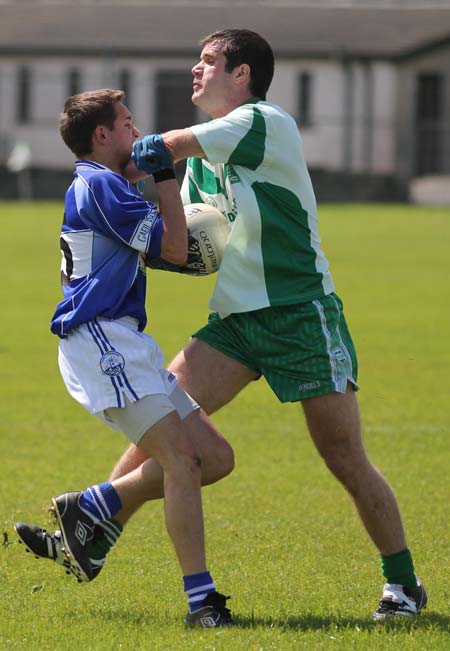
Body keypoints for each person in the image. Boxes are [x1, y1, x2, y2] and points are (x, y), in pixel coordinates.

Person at [18, 30, 427, 622]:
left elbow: (165, 148)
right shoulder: (202, 168)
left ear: (242, 75)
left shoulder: (263, 122)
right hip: (236, 321)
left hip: (300, 314)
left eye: (209, 62)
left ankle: (403, 584)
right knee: (159, 424)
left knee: (344, 457)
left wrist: (105, 156)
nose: (195, 69)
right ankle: (90, 533)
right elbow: (181, 233)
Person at [14, 88, 233, 628]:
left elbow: (151, 243)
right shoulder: (103, 186)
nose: (138, 132)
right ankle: (201, 603)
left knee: (215, 457)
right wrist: (166, 177)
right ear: (102, 135)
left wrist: (158, 166)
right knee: (182, 461)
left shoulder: (102, 182)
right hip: (101, 341)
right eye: (128, 122)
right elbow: (178, 249)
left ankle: (91, 507)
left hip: (122, 340)